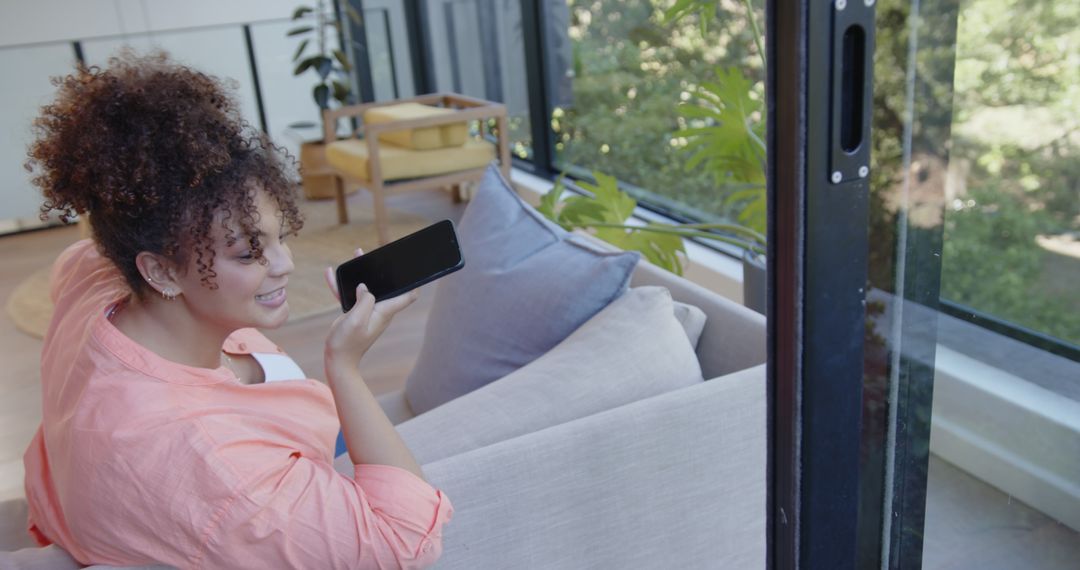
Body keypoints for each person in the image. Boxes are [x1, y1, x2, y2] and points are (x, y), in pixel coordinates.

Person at [20, 51, 452, 569]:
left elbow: (78, 255)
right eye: (248, 253)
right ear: (159, 271)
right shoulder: (213, 465)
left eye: (279, 237)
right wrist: (345, 365)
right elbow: (404, 546)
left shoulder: (91, 277)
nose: (285, 264)